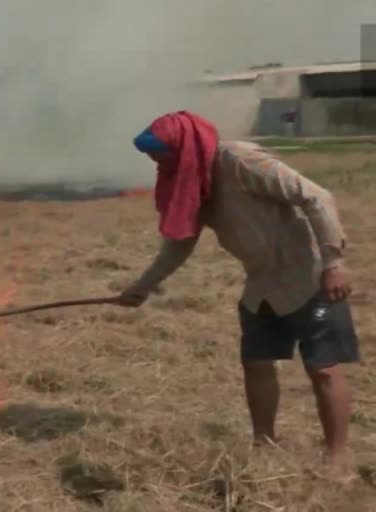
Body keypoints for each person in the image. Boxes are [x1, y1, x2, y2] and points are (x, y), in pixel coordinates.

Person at [115, 110, 360, 479]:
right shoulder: (192, 181)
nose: (155, 162)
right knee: (257, 362)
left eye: (159, 153)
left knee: (323, 368)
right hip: (261, 284)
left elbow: (317, 196)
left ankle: (338, 457)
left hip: (309, 276)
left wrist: (334, 263)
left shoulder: (240, 160)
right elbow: (179, 243)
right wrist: (142, 287)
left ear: (183, 146)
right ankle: (264, 444)